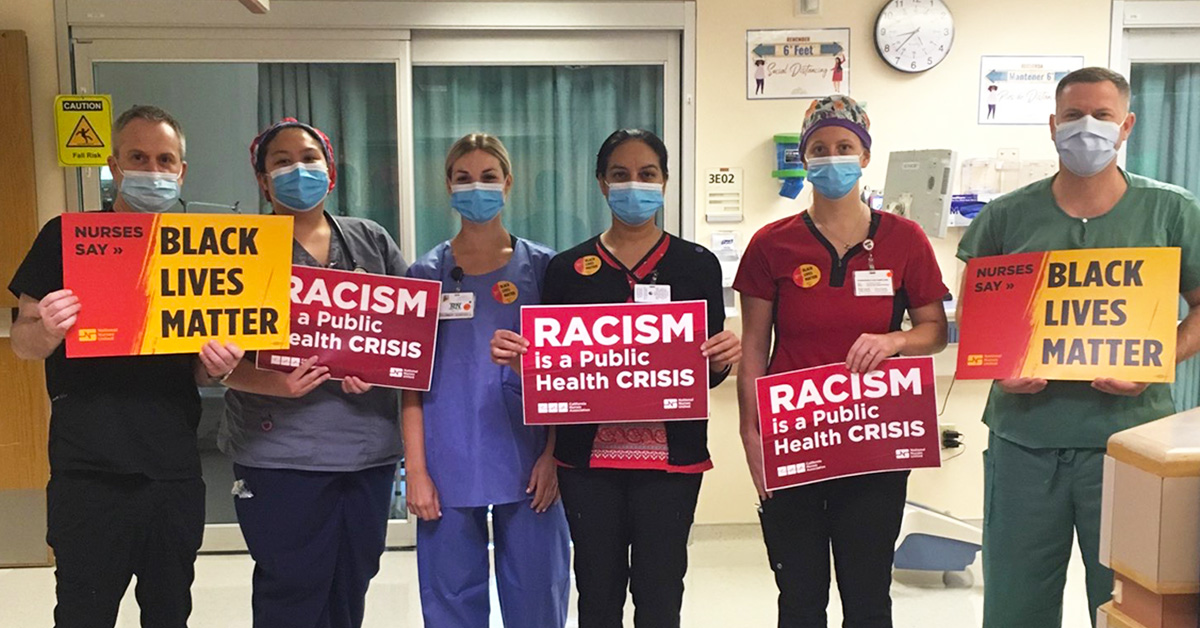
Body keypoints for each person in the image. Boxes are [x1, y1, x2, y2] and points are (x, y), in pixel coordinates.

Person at [957, 67, 1200, 628]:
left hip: (1129, 445)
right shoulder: (1007, 216)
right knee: (1015, 605)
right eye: (1072, 116)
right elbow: (976, 312)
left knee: (1126, 604)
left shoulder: (1171, 212)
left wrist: (1159, 357)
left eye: (1102, 115)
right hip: (1025, 443)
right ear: (1052, 125)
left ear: (1126, 125)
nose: (1086, 127)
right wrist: (1000, 367)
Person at [491, 128, 742, 628]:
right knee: (598, 594)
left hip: (671, 463)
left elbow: (705, 375)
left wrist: (722, 357)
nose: (634, 185)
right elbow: (555, 368)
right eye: (621, 175)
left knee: (661, 592)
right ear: (602, 184)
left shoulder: (696, 265)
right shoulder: (566, 270)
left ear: (665, 181)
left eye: (647, 174)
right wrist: (526, 362)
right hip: (587, 464)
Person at [8, 104, 243, 628]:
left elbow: (200, 372)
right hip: (89, 474)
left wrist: (218, 367)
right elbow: (23, 341)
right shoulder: (65, 237)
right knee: (83, 614)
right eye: (138, 157)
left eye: (165, 160)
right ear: (115, 165)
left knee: (169, 614)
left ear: (182, 171)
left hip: (172, 472)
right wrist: (45, 328)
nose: (152, 171)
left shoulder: (197, 253)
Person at [733, 95, 949, 628]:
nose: (833, 158)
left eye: (844, 147)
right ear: (804, 159)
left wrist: (894, 341)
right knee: (800, 596)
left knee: (868, 593)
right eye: (820, 148)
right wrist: (751, 434)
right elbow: (754, 347)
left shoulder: (905, 239)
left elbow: (935, 332)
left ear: (865, 156)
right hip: (795, 435)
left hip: (875, 438)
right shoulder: (771, 244)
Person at [216, 118, 407, 628]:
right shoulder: (238, 248)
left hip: (366, 450)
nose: (297, 170)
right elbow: (209, 357)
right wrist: (273, 382)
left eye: (308, 158)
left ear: (331, 172)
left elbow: (411, 333)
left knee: (354, 577)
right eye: (281, 161)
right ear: (262, 180)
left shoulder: (371, 240)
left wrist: (380, 365)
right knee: (291, 587)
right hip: (280, 452)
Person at [404, 133, 571, 627]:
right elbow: (408, 382)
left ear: (508, 183)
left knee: (538, 591)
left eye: (488, 177)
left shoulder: (544, 269)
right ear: (448, 187)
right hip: (447, 456)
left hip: (529, 456)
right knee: (451, 596)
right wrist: (415, 471)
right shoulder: (425, 274)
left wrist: (554, 455)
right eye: (464, 178)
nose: (476, 187)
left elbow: (567, 378)